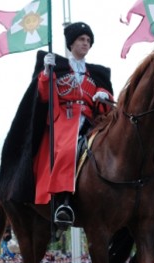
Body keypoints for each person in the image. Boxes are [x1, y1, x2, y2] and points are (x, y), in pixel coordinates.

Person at [34, 22, 114, 231]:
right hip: (65, 118)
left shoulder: (95, 73)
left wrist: (104, 96)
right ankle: (64, 202)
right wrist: (45, 72)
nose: (85, 43)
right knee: (67, 148)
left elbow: (105, 99)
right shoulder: (58, 68)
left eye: (88, 40)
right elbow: (44, 95)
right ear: (71, 43)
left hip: (90, 120)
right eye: (81, 39)